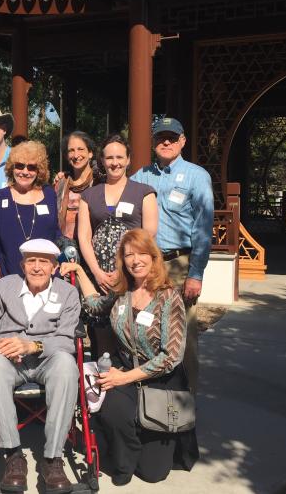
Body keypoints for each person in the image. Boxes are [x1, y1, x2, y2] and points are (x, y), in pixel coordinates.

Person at [63, 228, 198, 485]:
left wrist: (124, 378)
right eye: (128, 255)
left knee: (152, 473)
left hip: (161, 380)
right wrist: (79, 271)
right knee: (111, 411)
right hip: (124, 368)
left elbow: (171, 357)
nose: (135, 260)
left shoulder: (169, 298)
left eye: (141, 254)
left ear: (154, 257)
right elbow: (94, 306)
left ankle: (140, 440)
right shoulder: (122, 293)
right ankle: (123, 458)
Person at [0, 239, 81, 494]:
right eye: (32, 261)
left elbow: (67, 339)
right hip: (9, 359)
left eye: (44, 262)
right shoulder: (3, 287)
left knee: (67, 365)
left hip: (47, 358)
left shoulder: (68, 293)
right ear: (22, 264)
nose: (37, 267)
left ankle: (52, 459)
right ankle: (13, 455)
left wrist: (34, 346)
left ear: (54, 267)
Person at [131, 117, 214, 393]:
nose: (166, 142)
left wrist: (196, 273)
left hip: (180, 263)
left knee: (183, 334)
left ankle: (185, 400)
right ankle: (153, 395)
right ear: (153, 142)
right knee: (147, 328)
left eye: (171, 137)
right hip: (149, 265)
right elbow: (116, 191)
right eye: (160, 138)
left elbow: (203, 227)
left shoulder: (196, 175)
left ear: (182, 141)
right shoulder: (141, 176)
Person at [78, 134, 158, 294]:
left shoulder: (144, 193)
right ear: (102, 160)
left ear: (128, 160)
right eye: (109, 158)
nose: (115, 163)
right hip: (98, 275)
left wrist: (122, 272)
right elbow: (84, 238)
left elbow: (149, 234)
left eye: (120, 157)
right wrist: (97, 273)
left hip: (133, 272)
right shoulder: (88, 195)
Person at [0, 140, 61, 279]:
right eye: (19, 166)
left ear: (39, 171)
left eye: (31, 167)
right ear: (11, 168)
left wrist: (62, 259)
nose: (25, 172)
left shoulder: (49, 194)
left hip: (45, 276)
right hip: (9, 274)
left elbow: (56, 232)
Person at [54, 131, 102, 246]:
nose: (76, 155)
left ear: (90, 153)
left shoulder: (100, 183)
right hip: (64, 249)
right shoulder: (61, 184)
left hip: (93, 248)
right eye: (71, 150)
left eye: (80, 149)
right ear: (66, 156)